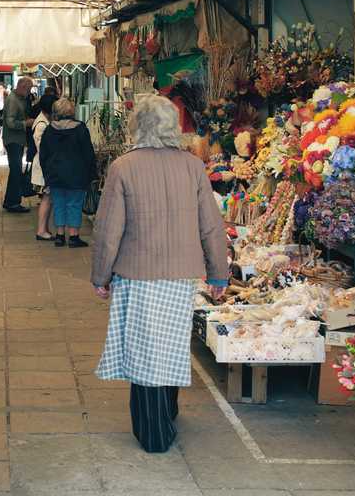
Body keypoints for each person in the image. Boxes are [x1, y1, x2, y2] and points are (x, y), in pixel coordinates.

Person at [90, 95, 229, 454]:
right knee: (169, 345)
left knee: (143, 350)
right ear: (174, 127)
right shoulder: (192, 166)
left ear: (138, 126)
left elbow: (108, 230)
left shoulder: (124, 166)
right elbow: (211, 226)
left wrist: (100, 276)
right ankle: (167, 412)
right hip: (181, 276)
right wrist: (218, 275)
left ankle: (153, 432)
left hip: (137, 274)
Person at [37, 98, 95, 248]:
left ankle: (60, 235)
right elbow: (88, 154)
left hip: (55, 174)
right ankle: (74, 236)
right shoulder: (80, 129)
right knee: (74, 204)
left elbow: (43, 154)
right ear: (71, 111)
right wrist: (91, 174)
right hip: (77, 174)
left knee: (58, 204)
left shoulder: (49, 130)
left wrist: (47, 174)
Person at [1, 77, 33, 213]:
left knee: (15, 170)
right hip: (13, 140)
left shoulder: (19, 99)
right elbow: (10, 122)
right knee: (15, 170)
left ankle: (10, 201)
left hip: (16, 140)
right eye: (29, 89)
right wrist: (25, 124)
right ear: (22, 87)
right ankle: (13, 202)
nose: (30, 92)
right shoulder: (13, 100)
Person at [29, 93, 56, 241]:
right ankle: (41, 230)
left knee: (48, 198)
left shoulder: (44, 121)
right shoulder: (41, 124)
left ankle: (44, 228)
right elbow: (42, 148)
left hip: (45, 166)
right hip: (44, 167)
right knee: (47, 198)